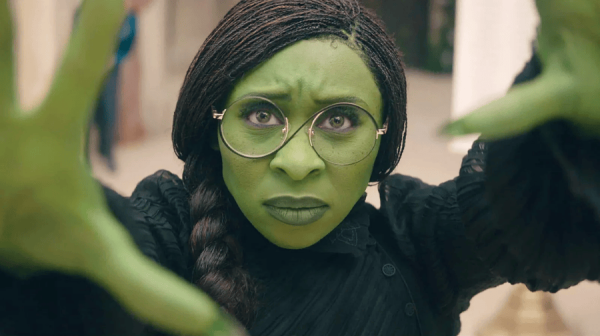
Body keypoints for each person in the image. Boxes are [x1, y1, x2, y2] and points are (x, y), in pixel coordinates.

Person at [0, 0, 599, 335]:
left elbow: (533, 223)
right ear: (212, 125)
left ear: (383, 138)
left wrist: (579, 142)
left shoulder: (418, 242)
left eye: (339, 121)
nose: (296, 163)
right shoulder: (165, 235)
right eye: (261, 115)